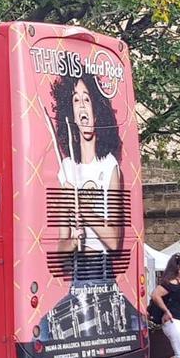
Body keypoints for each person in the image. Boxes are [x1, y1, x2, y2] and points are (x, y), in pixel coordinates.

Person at [51, 73, 124, 253]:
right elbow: (62, 245)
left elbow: (114, 241)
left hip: (102, 267)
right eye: (76, 100)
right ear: (72, 116)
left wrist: (79, 204)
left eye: (87, 99)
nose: (82, 105)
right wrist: (73, 243)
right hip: (78, 269)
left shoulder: (108, 165)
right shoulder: (67, 168)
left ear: (96, 112)